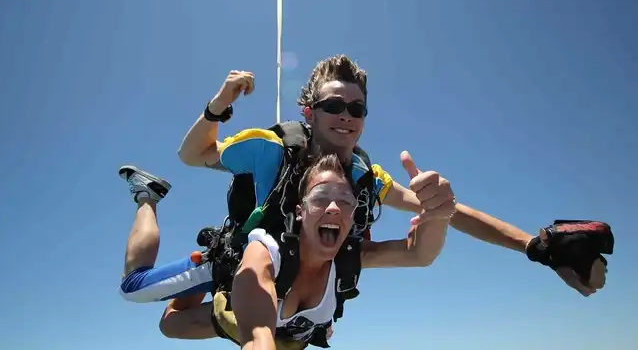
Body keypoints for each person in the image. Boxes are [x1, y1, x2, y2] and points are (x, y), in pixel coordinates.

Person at [176, 55, 611, 297]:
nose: (346, 117)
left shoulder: (366, 176)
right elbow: (193, 154)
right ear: (308, 112)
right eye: (333, 106)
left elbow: (448, 212)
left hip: (309, 302)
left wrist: (535, 247)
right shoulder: (272, 149)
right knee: (164, 320)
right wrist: (218, 106)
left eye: (356, 109)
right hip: (247, 279)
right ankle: (147, 199)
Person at [119, 152, 452, 348]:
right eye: (321, 198)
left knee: (169, 326)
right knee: (134, 289)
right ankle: (148, 196)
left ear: (354, 215)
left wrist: (437, 213)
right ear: (300, 210)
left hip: (267, 325)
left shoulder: (350, 258)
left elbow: (419, 254)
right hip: (230, 273)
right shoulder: (267, 251)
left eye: (345, 201)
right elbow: (259, 336)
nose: (334, 208)